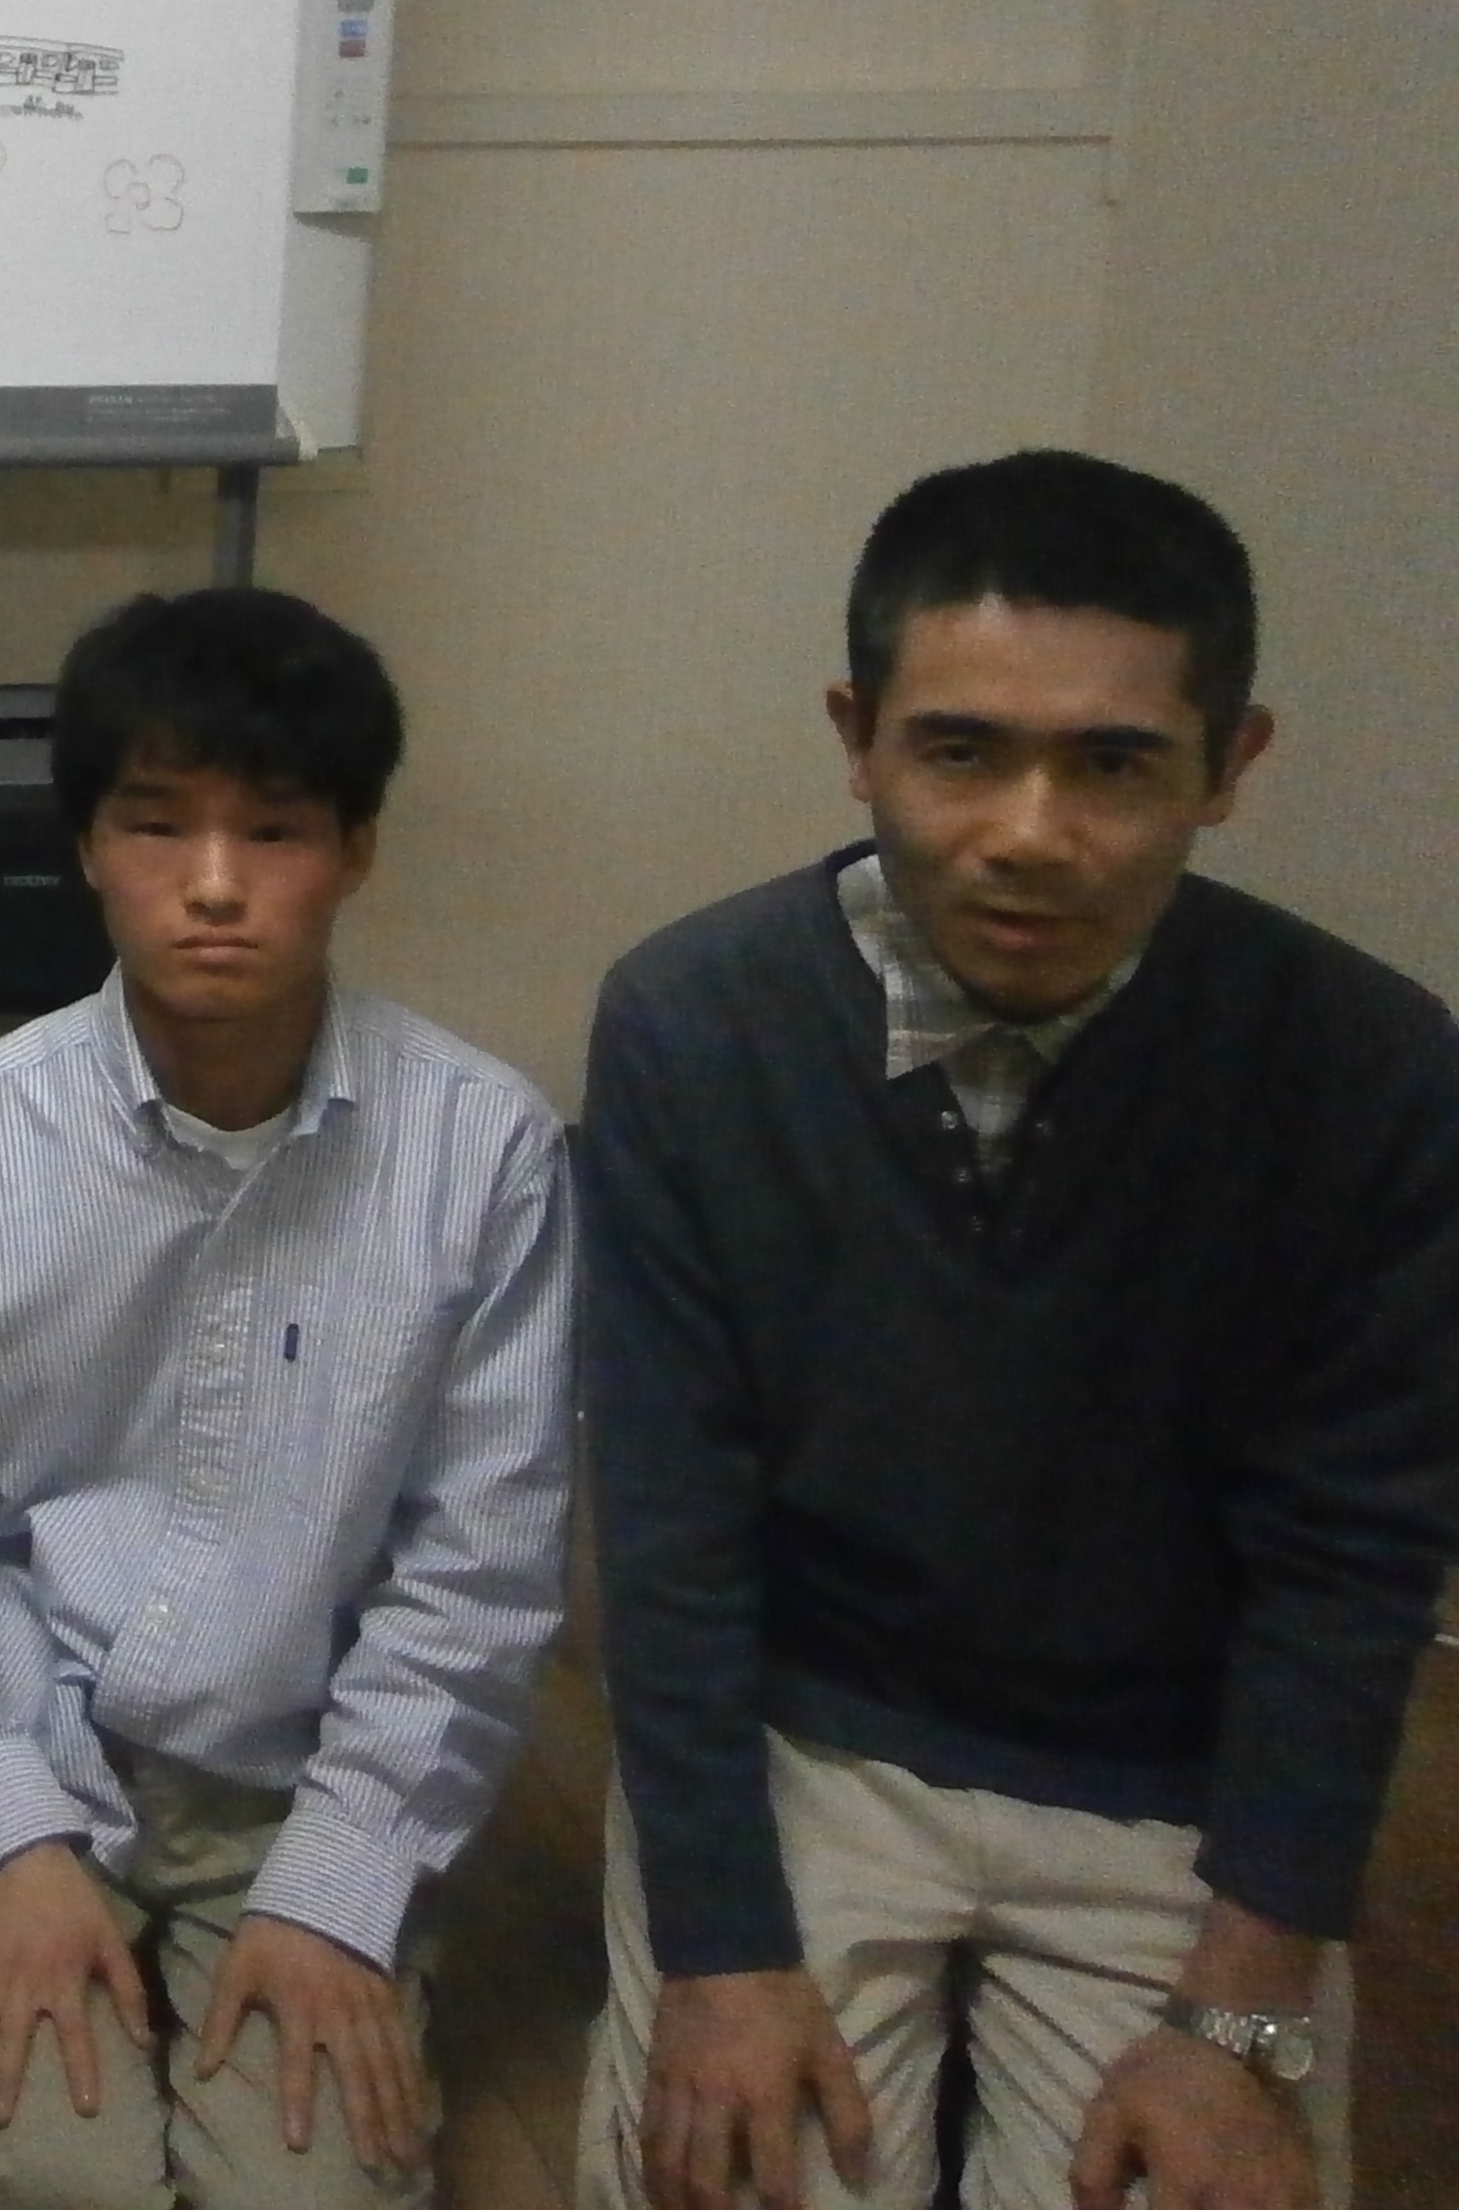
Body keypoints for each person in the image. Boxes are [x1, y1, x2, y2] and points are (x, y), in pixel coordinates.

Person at [578, 451, 1459, 2210]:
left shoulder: (1369, 1072)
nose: (1031, 834)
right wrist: (724, 1954)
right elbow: (673, 1532)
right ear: (858, 739)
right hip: (816, 1740)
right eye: (961, 751)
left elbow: (1352, 1568)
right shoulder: (695, 1023)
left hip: (1168, 1784)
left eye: (1115, 764)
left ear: (1231, 766)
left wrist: (1238, 2016)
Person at [0, 586, 574, 2210]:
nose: (214, 885)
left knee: (314, 2192)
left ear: (356, 851)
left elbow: (478, 1573)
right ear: (89, 845)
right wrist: (11, 1834)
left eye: (274, 832)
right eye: (157, 826)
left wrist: (339, 1884)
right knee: (52, 2179)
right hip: (20, 1731)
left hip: (300, 1770)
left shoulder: (485, 1150)